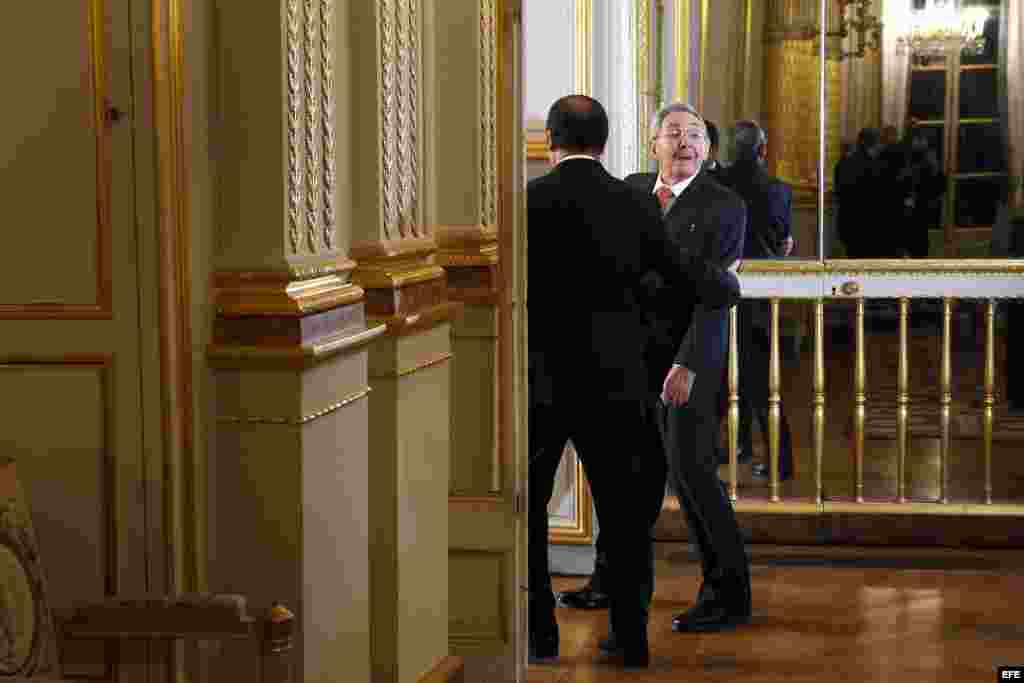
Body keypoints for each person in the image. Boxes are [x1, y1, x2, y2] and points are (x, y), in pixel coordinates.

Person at [528, 95, 740, 667]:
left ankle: (539, 635)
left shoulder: (525, 202)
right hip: (617, 385)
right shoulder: (633, 204)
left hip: (541, 384)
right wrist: (725, 285)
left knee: (528, 512)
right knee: (625, 517)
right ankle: (629, 638)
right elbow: (684, 273)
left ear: (551, 140)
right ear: (605, 141)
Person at [716, 121, 795, 482]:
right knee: (762, 385)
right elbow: (783, 243)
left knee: (725, 378)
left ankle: (739, 446)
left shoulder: (716, 184)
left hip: (720, 293)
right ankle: (778, 460)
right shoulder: (778, 189)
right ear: (763, 150)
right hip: (761, 298)